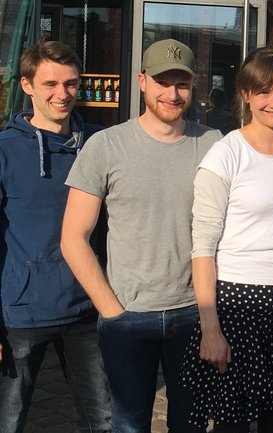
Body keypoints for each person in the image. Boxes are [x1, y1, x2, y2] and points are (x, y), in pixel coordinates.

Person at [60, 39, 222, 433]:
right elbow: (73, 238)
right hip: (128, 317)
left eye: (181, 83)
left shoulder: (214, 144)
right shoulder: (106, 146)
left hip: (192, 314)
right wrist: (111, 309)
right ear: (142, 81)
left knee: (191, 424)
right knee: (129, 425)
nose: (172, 93)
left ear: (193, 85)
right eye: (162, 82)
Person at [179, 46, 273, 433]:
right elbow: (203, 246)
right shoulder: (225, 154)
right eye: (263, 92)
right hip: (239, 301)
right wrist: (210, 327)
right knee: (232, 419)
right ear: (245, 95)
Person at [0, 40, 111, 433]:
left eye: (70, 84)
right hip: (22, 313)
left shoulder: (99, 145)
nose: (62, 94)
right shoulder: (6, 150)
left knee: (103, 423)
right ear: (28, 85)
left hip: (86, 309)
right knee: (8, 422)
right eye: (50, 84)